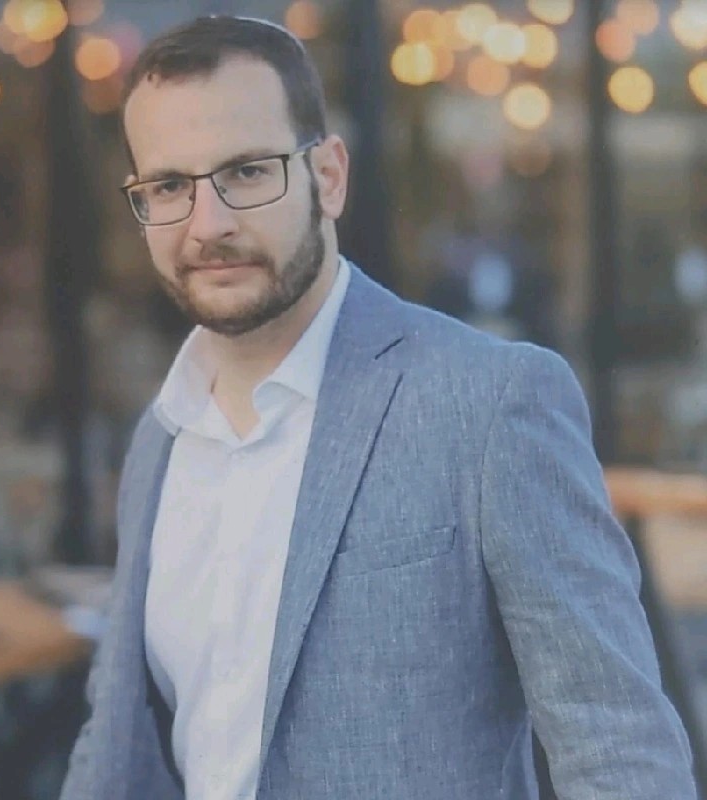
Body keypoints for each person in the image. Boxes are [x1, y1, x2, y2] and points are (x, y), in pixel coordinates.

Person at [61, 15, 697, 800]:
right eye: (168, 187)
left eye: (248, 172)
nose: (208, 224)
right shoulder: (161, 440)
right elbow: (114, 737)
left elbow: (619, 750)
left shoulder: (489, 403)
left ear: (329, 176)